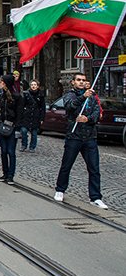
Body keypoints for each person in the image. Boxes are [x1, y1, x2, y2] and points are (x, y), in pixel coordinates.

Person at [54, 73, 107, 209]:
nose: (81, 82)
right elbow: (70, 106)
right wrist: (83, 97)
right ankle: (60, 189)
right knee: (67, 164)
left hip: (90, 137)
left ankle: (95, 197)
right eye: (79, 80)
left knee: (94, 168)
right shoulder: (70, 95)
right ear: (73, 82)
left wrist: (88, 119)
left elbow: (97, 113)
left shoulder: (92, 97)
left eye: (83, 80)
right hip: (74, 136)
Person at [0, 74, 24, 185]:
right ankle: (5, 173)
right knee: (3, 151)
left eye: (1, 82)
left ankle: (11, 175)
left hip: (12, 127)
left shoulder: (17, 97)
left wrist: (17, 128)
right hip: (2, 126)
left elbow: (20, 114)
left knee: (11, 152)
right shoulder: (1, 96)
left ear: (6, 83)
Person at [20, 79, 45, 153]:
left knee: (34, 133)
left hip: (35, 116)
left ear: (37, 86)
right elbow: (22, 105)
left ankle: (32, 147)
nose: (33, 86)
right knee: (24, 131)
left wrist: (41, 118)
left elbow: (42, 108)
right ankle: (24, 145)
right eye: (32, 85)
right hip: (26, 116)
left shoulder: (41, 95)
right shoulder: (26, 94)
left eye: (35, 85)